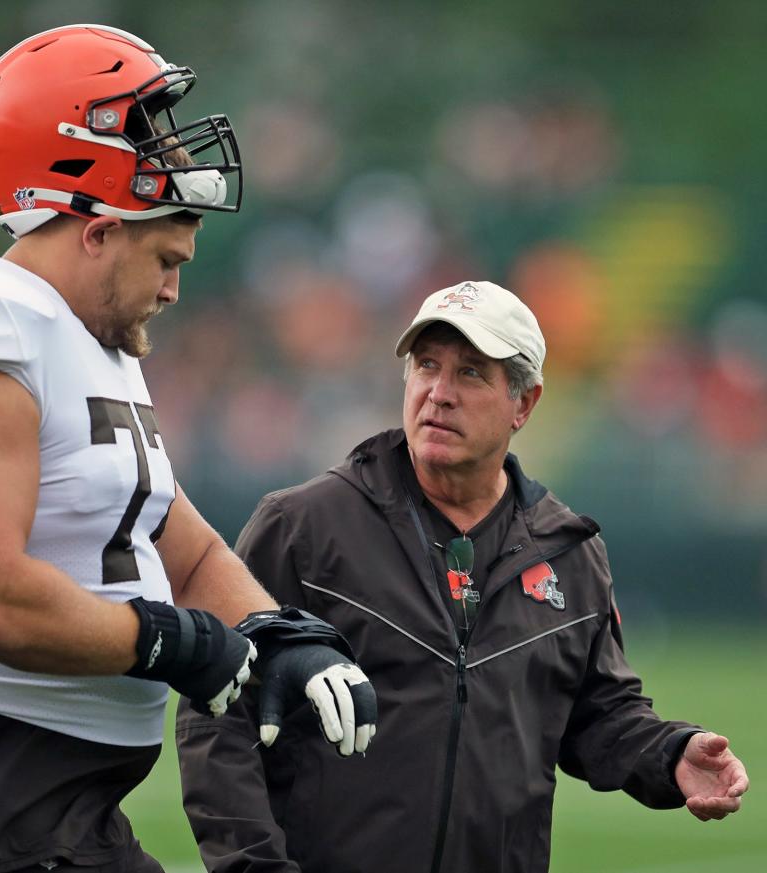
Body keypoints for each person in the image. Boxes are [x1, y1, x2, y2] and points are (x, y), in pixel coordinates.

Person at [0, 24, 376, 873]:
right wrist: (170, 641)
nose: (175, 286)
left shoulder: (89, 342)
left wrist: (266, 630)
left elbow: (175, 543)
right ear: (94, 228)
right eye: (163, 255)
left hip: (54, 799)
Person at [175, 280, 750, 873]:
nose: (438, 393)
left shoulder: (570, 552)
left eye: (471, 373)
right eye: (427, 365)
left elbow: (598, 714)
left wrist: (671, 753)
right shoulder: (304, 527)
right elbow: (217, 708)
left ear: (523, 404)